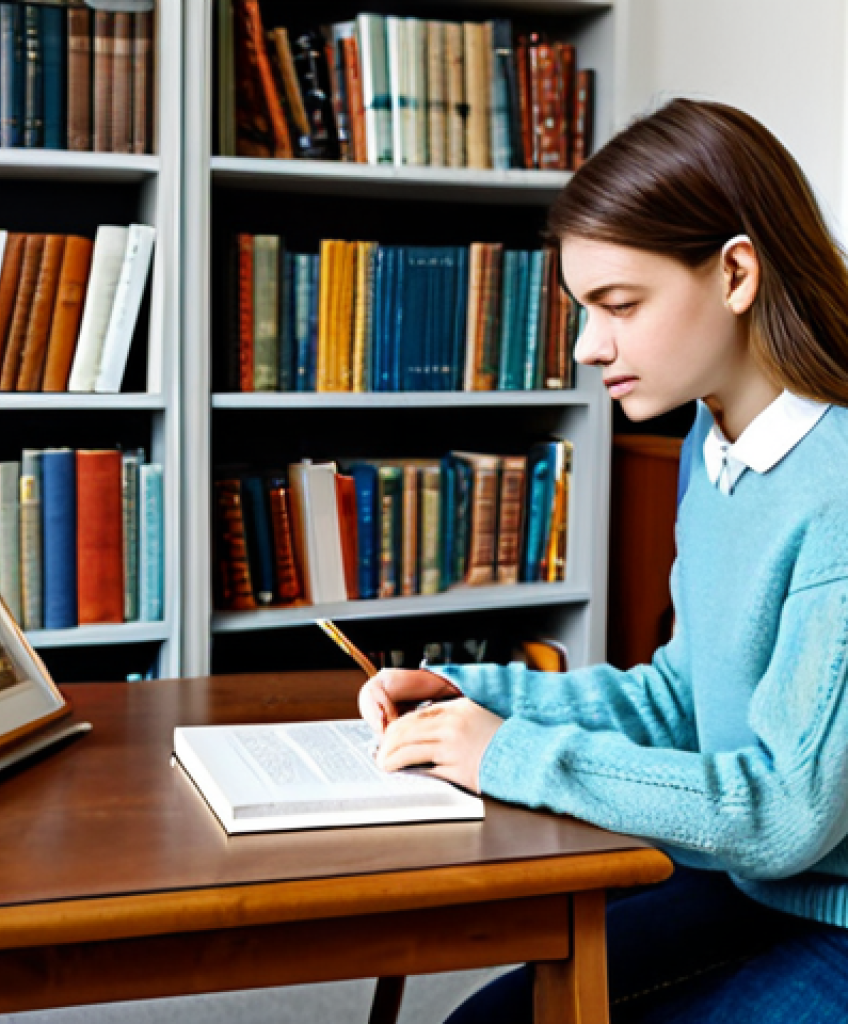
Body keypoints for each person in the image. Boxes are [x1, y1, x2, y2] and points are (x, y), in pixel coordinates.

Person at [358, 98, 848, 1023]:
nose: (589, 346)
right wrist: (473, 700)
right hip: (750, 888)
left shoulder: (836, 493)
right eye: (585, 309)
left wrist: (510, 755)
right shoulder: (719, 441)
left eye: (619, 306)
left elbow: (786, 809)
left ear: (736, 272)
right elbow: (682, 697)